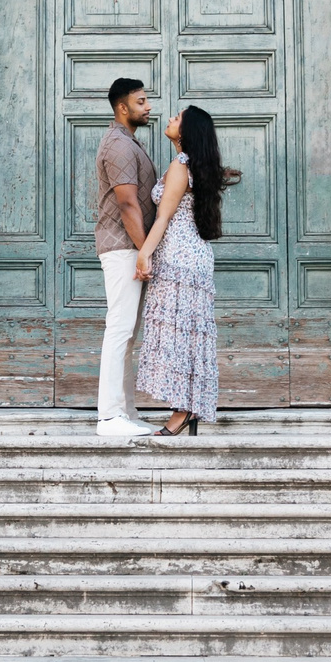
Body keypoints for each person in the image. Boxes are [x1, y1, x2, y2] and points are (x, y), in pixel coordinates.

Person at [134, 104, 232, 437]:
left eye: (178, 118)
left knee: (179, 338)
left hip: (178, 261)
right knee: (187, 338)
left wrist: (144, 254)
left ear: (187, 132)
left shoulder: (181, 164)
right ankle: (186, 407)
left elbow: (163, 217)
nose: (171, 120)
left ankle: (183, 410)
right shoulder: (193, 167)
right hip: (194, 259)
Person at [91, 77, 158, 438]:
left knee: (127, 332)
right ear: (123, 107)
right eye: (142, 101)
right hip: (123, 248)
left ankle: (125, 413)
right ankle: (108, 416)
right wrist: (144, 251)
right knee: (119, 329)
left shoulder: (128, 142)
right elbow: (128, 202)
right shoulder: (118, 145)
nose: (148, 107)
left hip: (130, 247)